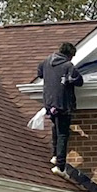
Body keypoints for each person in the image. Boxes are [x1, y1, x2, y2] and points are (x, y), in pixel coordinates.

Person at [36, 40, 83, 176]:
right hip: (62, 103)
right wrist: (68, 80)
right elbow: (79, 81)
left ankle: (55, 155)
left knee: (56, 128)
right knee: (63, 133)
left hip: (49, 103)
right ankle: (60, 166)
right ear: (69, 55)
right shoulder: (68, 66)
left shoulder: (46, 62)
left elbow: (40, 73)